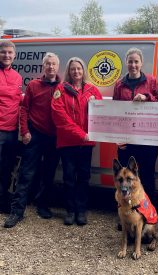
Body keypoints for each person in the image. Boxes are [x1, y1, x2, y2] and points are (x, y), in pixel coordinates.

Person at [4, 52, 61, 228]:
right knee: (26, 174)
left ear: (57, 67)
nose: (50, 67)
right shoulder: (34, 85)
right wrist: (26, 131)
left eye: (53, 64)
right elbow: (24, 109)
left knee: (48, 173)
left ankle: (42, 205)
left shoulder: (63, 86)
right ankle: (17, 211)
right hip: (34, 136)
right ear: (42, 66)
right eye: (47, 64)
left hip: (54, 137)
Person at [51, 57, 102, 226]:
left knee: (84, 177)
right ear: (68, 71)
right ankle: (70, 211)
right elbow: (60, 117)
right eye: (73, 69)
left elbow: (103, 114)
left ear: (83, 70)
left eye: (79, 69)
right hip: (68, 143)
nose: (76, 72)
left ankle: (81, 211)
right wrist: (81, 134)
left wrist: (97, 105)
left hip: (86, 143)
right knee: (68, 178)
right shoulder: (61, 89)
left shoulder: (93, 90)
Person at [113, 47, 158, 202]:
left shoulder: (151, 81)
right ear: (126, 62)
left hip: (147, 140)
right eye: (130, 61)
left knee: (147, 176)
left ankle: (148, 214)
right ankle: (126, 212)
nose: (133, 65)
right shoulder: (119, 84)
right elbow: (115, 112)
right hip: (127, 141)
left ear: (141, 63)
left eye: (136, 62)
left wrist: (146, 97)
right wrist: (117, 138)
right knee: (125, 179)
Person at [0, 40, 22, 214]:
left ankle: (3, 202)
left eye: (9, 52)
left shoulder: (17, 76)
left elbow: (18, 101)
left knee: (8, 168)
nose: (6, 55)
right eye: (3, 52)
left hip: (12, 130)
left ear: (14, 55)